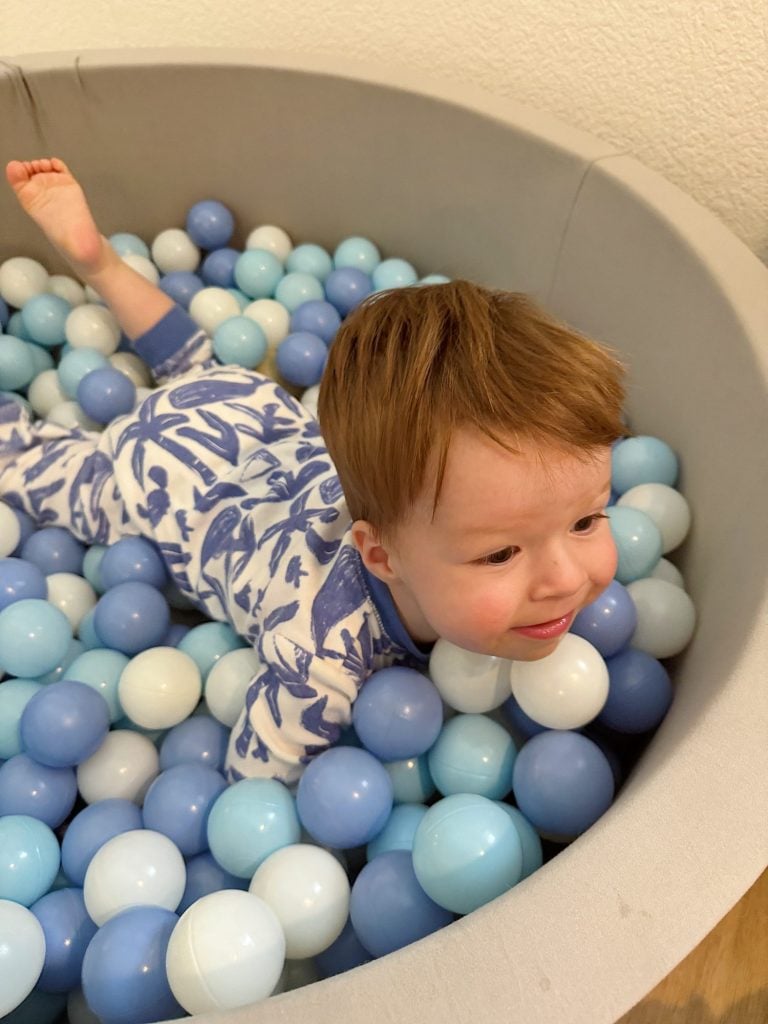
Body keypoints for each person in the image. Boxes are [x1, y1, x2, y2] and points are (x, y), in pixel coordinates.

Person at [1, 158, 626, 785]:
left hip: (245, 409)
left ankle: (99, 261)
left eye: (586, 519)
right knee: (25, 464)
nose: (567, 578)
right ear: (381, 557)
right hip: (163, 482)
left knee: (195, 367)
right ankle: (92, 286)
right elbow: (256, 780)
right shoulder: (320, 653)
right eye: (500, 555)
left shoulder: (435, 492)